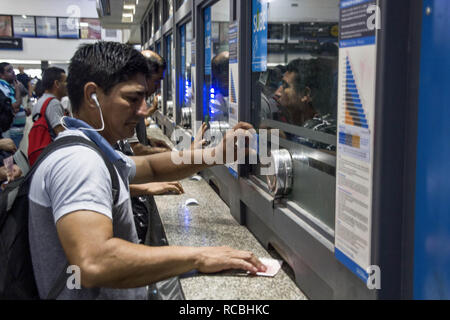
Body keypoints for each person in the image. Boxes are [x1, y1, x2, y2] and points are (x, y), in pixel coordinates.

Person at [28, 41, 265, 300]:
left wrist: (215, 155)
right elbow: (94, 261)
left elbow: (151, 167)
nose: (143, 111)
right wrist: (199, 255)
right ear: (92, 96)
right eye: (132, 98)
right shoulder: (79, 161)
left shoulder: (87, 147)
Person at [31, 67, 67, 137]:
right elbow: (61, 133)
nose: (67, 85)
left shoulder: (40, 101)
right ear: (57, 83)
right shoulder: (53, 103)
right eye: (65, 81)